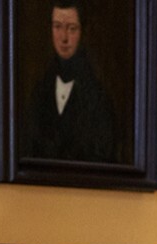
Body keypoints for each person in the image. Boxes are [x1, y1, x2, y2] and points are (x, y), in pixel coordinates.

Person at [23, 2, 117, 163]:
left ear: (83, 32)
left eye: (72, 28)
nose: (64, 38)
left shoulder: (97, 97)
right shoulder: (40, 91)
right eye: (57, 27)